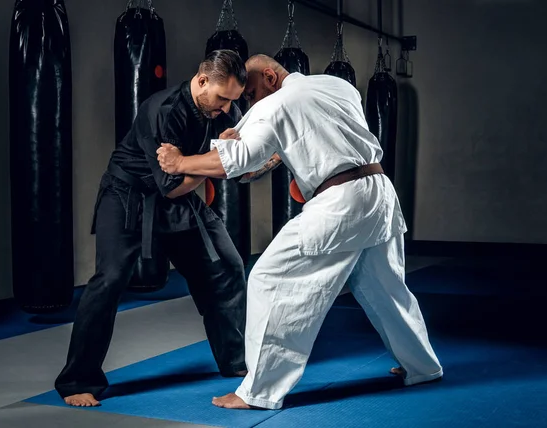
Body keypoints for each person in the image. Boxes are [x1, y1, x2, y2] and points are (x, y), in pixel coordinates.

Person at [156, 54, 443, 410]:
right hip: (380, 193)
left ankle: (258, 392)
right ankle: (423, 367)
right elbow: (321, 136)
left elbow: (235, 161)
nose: (249, 100)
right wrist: (281, 154)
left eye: (251, 92)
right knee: (386, 289)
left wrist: (180, 162)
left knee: (267, 278)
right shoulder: (337, 86)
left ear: (270, 77)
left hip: (340, 204)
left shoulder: (275, 103)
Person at [55, 50, 250, 407]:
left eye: (233, 101)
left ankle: (235, 361)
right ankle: (77, 379)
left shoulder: (227, 108)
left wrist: (243, 161)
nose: (226, 108)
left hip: (181, 193)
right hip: (129, 195)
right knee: (110, 279)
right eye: (222, 98)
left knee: (227, 266)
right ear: (202, 81)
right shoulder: (162, 111)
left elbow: (243, 163)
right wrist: (219, 164)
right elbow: (171, 184)